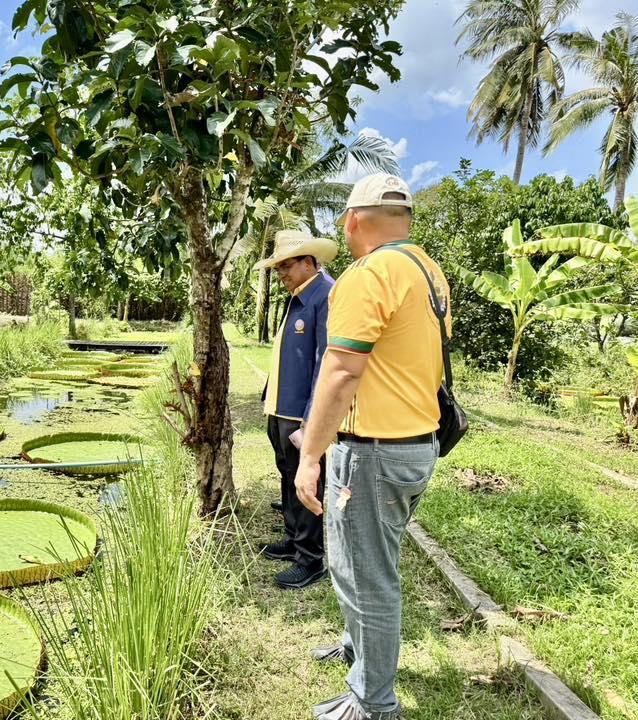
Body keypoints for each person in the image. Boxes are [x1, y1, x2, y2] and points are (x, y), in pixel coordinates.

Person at [293, 174, 451, 719]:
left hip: (375, 453)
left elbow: (340, 372)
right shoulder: (426, 270)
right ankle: (359, 648)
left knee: (369, 576)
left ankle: (373, 702)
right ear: (405, 219)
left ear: (351, 220)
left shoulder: (368, 273)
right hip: (415, 445)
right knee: (361, 564)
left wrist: (309, 456)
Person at [254, 229, 338, 590]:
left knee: (307, 483)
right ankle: (293, 538)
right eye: (278, 270)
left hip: (302, 412)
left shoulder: (326, 295)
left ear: (308, 262)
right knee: (288, 475)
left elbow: (326, 363)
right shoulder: (299, 295)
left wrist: (312, 418)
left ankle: (310, 558)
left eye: (286, 267)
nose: (282, 275)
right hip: (281, 406)